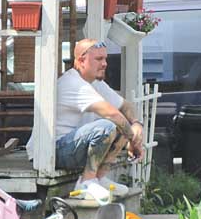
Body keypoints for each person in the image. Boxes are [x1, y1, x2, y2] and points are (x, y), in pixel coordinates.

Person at [26, 38, 144, 195]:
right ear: (81, 61)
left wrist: (136, 124)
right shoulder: (74, 84)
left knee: (123, 125)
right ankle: (86, 182)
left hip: (72, 147)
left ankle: (100, 178)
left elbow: (125, 106)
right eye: (99, 59)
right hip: (52, 151)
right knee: (109, 125)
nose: (105, 64)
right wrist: (134, 142)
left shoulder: (95, 83)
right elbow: (112, 114)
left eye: (105, 59)